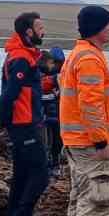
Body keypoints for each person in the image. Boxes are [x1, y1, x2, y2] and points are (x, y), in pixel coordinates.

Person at [59, 5, 109, 216]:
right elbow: (91, 104)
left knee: (79, 199)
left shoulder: (79, 54)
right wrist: (100, 141)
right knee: (96, 199)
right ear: (97, 27)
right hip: (88, 143)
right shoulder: (89, 59)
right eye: (108, 24)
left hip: (76, 141)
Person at [0, 12, 50, 216]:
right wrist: (7, 123)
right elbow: (8, 95)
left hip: (26, 122)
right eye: (39, 27)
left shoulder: (27, 55)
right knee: (40, 173)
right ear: (28, 32)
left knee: (22, 173)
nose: (43, 31)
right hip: (25, 124)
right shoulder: (21, 58)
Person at [40, 46, 65, 177]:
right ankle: (52, 164)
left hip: (52, 114)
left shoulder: (55, 76)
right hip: (50, 114)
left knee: (54, 141)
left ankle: (53, 163)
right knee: (51, 141)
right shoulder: (48, 75)